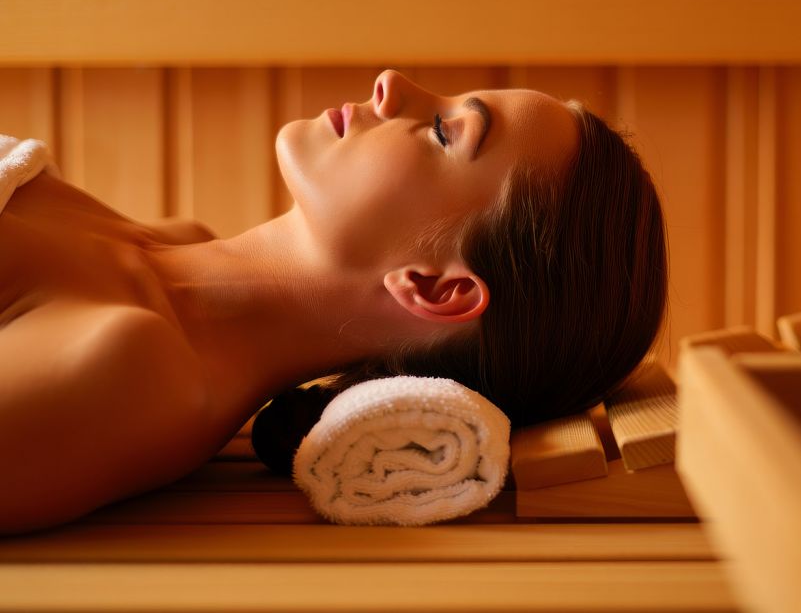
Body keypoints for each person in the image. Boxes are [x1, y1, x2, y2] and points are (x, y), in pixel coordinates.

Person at [0, 69, 667, 534]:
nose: (391, 82)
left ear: (435, 287)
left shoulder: (132, 371)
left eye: (443, 131)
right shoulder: (172, 244)